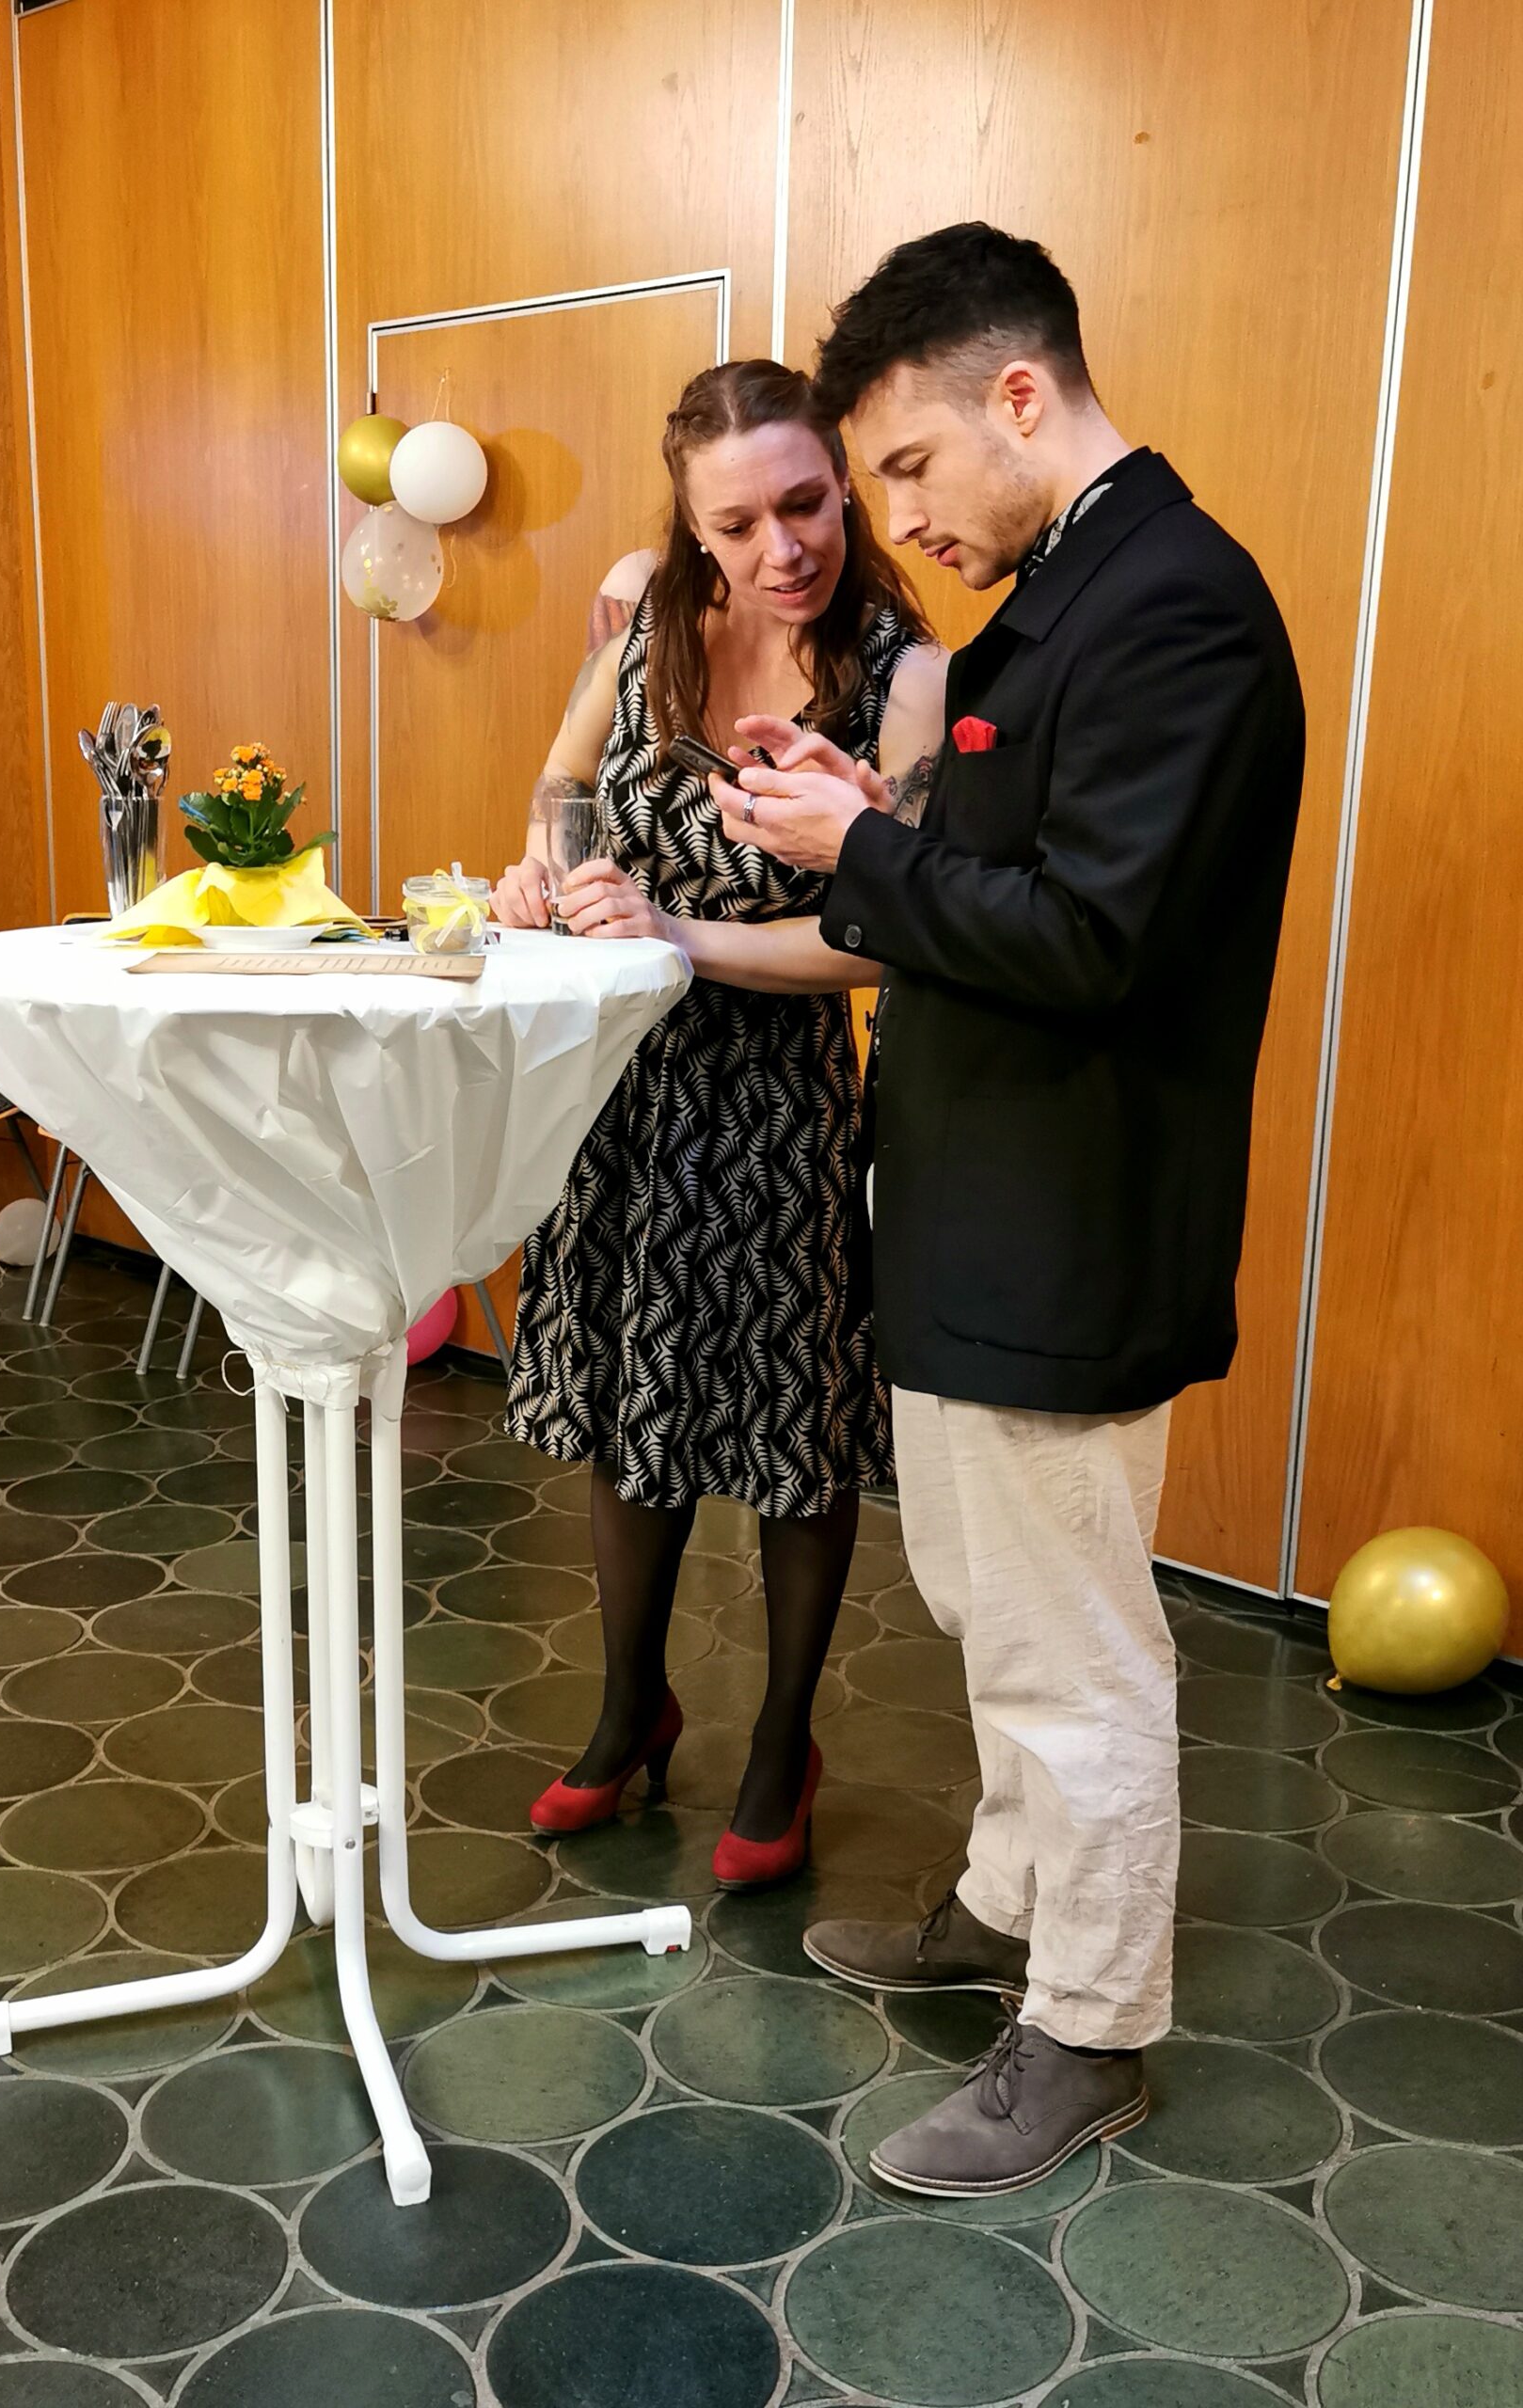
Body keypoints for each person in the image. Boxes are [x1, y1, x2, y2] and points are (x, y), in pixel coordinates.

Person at [701, 225, 1304, 2194]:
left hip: (1069, 1220)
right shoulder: (1072, 589)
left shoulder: (1178, 604)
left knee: (1073, 1647)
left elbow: (1098, 935)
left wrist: (862, 848)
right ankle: (1009, 1904)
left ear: (1020, 397)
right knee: (986, 1597)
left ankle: (1093, 2027)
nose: (898, 520)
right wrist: (860, 810)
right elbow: (1001, 868)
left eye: (906, 465)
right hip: (977, 1208)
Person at [494, 358, 945, 1889]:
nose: (781, 548)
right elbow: (560, 788)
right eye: (738, 523)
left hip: (778, 1107)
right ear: (691, 524)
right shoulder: (646, 631)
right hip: (620, 1092)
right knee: (636, 1410)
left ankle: (781, 1746)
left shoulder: (904, 677)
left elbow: (889, 939)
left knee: (793, 1434)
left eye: (805, 505)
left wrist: (678, 936)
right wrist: (551, 870)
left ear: (842, 487)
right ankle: (632, 1710)